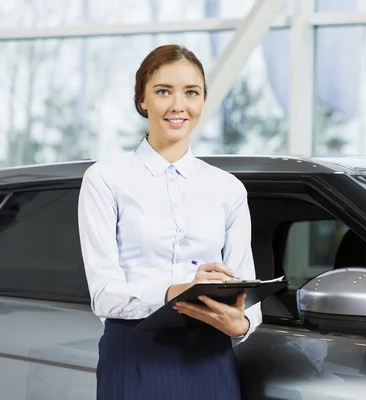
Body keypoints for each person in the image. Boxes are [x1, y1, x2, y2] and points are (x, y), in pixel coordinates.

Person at [77, 44, 261, 400]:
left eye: (191, 92)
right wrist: (170, 292)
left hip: (211, 359)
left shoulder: (228, 189)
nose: (179, 105)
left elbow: (246, 291)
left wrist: (241, 325)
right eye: (164, 91)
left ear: (203, 100)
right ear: (142, 99)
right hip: (134, 354)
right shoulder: (105, 179)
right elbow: (103, 294)